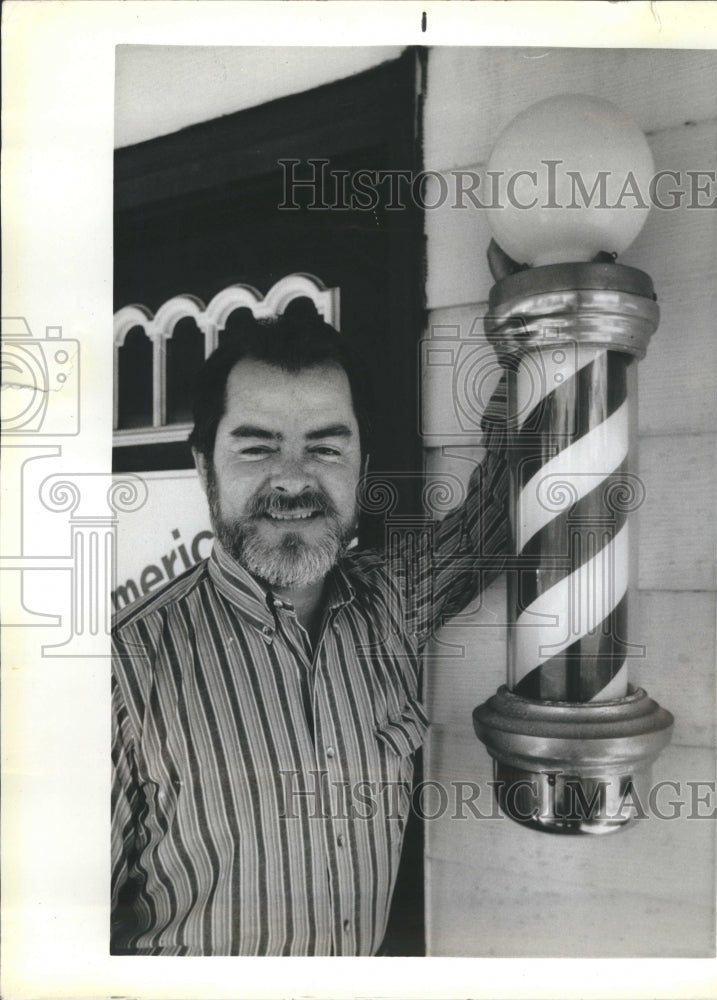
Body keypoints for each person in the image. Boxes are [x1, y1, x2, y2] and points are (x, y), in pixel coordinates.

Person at [111, 312, 508, 956]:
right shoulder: (120, 675)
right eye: (257, 447)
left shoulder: (392, 602)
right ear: (204, 468)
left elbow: (497, 518)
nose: (293, 479)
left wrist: (526, 332)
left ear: (361, 466)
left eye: (325, 448)